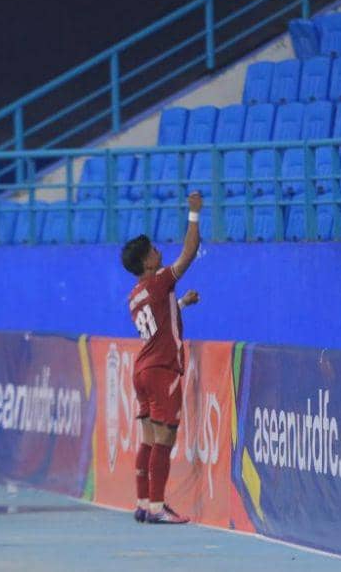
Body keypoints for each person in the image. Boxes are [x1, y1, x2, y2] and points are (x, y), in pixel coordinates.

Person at [120, 191, 203, 525]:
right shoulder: (158, 282)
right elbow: (189, 252)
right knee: (165, 439)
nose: (158, 251)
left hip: (141, 369)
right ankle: (157, 506)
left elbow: (157, 320)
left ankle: (143, 503)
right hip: (160, 369)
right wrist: (194, 213)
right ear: (147, 263)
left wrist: (180, 304)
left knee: (148, 438)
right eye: (153, 250)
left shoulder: (135, 295)